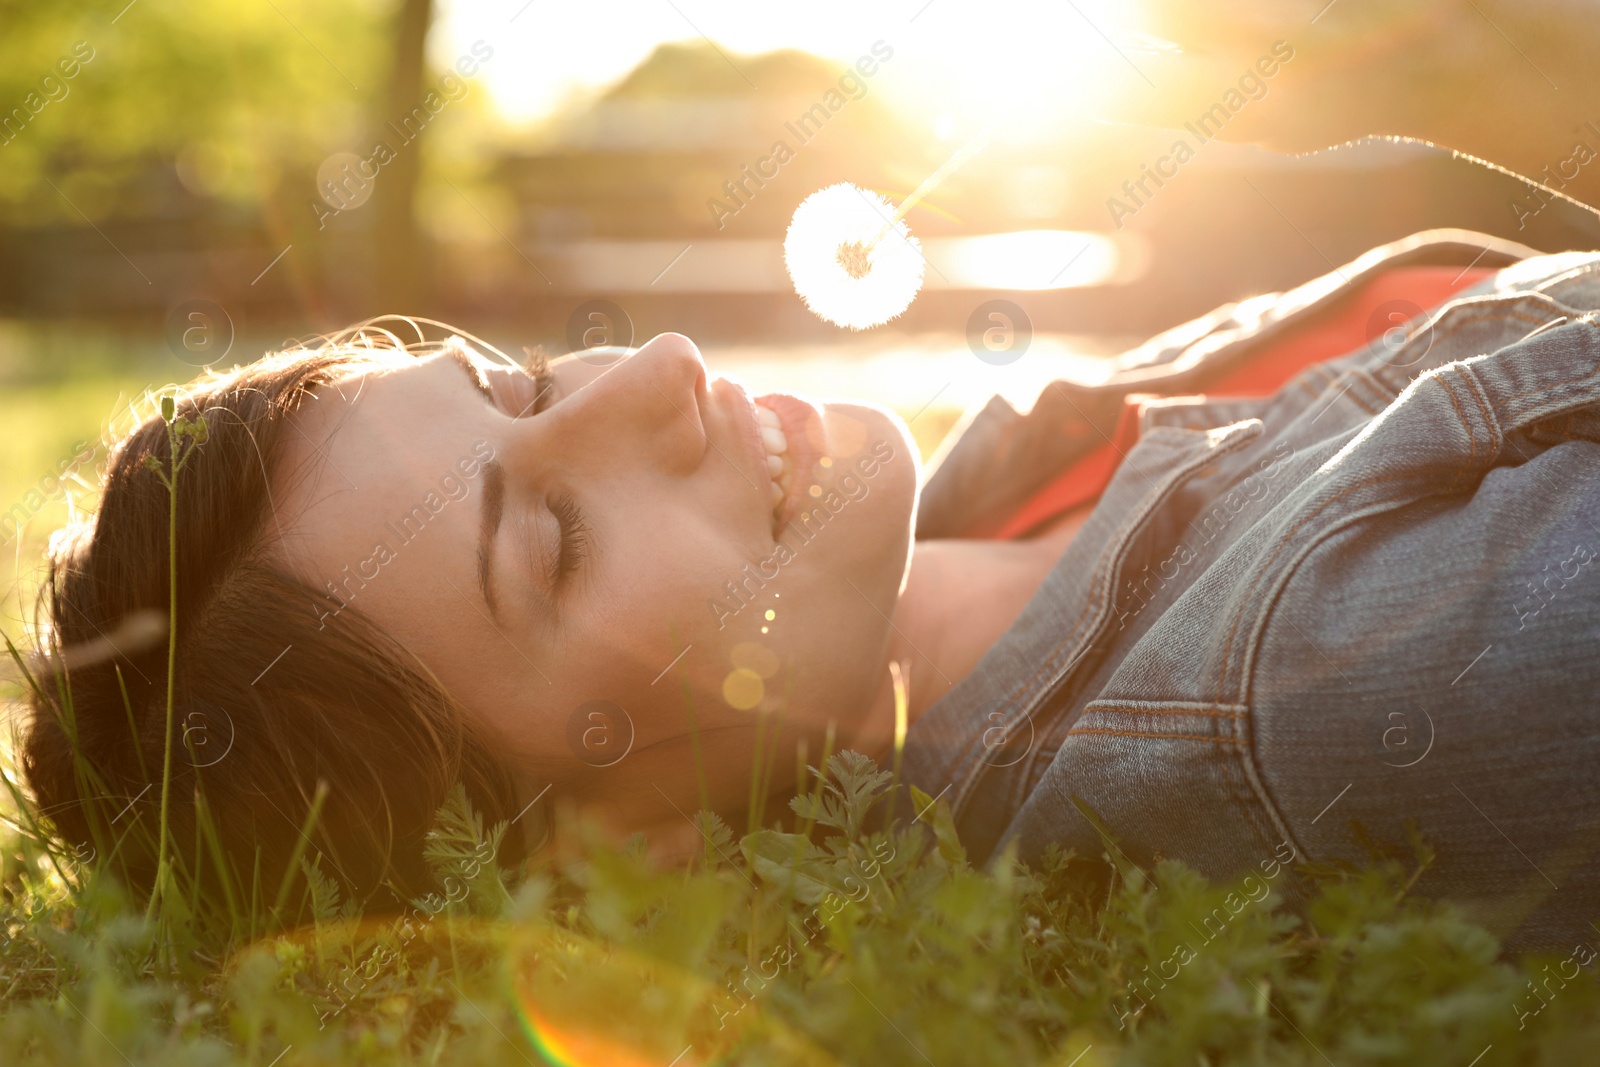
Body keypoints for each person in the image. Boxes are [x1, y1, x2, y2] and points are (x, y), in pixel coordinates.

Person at [17, 2, 1600, 953]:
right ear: (622, 863)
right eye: (554, 539)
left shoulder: (1009, 482)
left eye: (518, 386)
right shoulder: (1335, 687)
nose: (655, 375)